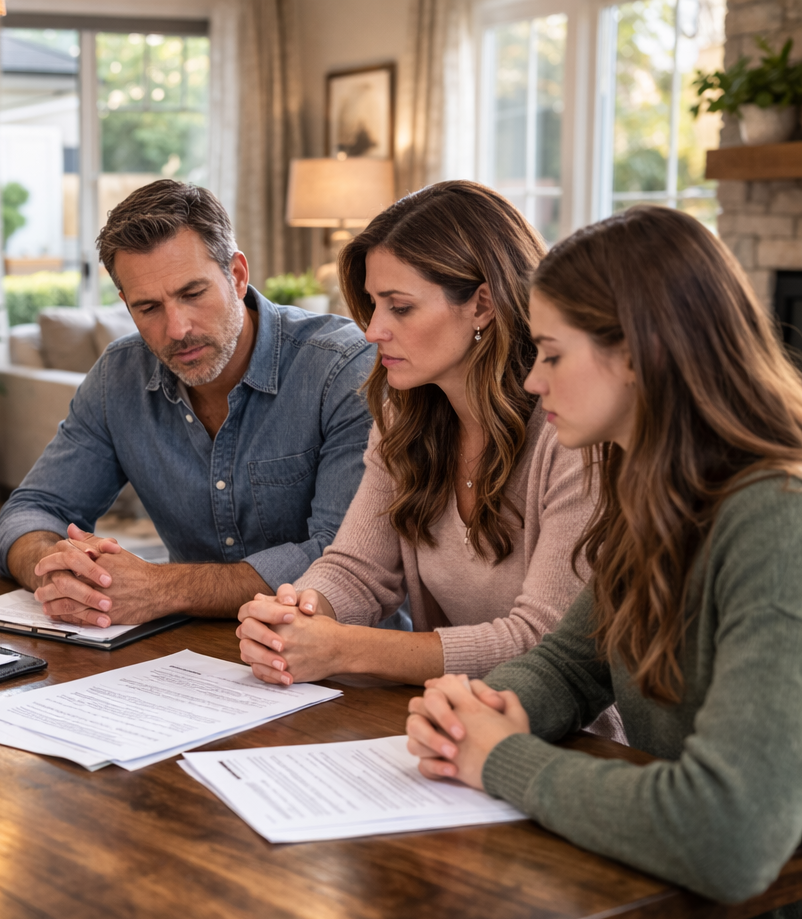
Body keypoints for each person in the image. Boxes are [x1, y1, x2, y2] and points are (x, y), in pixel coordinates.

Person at [406, 204, 802, 919]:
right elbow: (570, 660)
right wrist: (498, 703)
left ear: (638, 355)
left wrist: (500, 758)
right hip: (694, 916)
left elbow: (727, 834)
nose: (529, 380)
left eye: (551, 354)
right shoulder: (652, 492)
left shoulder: (775, 521)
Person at [235, 180, 599, 690]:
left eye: (400, 307)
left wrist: (344, 647)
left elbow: (543, 645)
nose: (372, 330)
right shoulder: (404, 416)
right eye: (373, 304)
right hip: (446, 722)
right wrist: (297, 613)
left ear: (483, 305)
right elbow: (357, 569)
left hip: (576, 744)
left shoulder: (575, 433)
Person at [0, 179, 377, 625]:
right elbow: (29, 512)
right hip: (191, 657)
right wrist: (61, 573)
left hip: (345, 661)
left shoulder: (342, 367)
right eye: (148, 308)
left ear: (237, 275)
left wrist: (161, 588)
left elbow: (342, 558)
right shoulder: (119, 376)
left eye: (193, 294)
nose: (177, 329)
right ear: (125, 305)